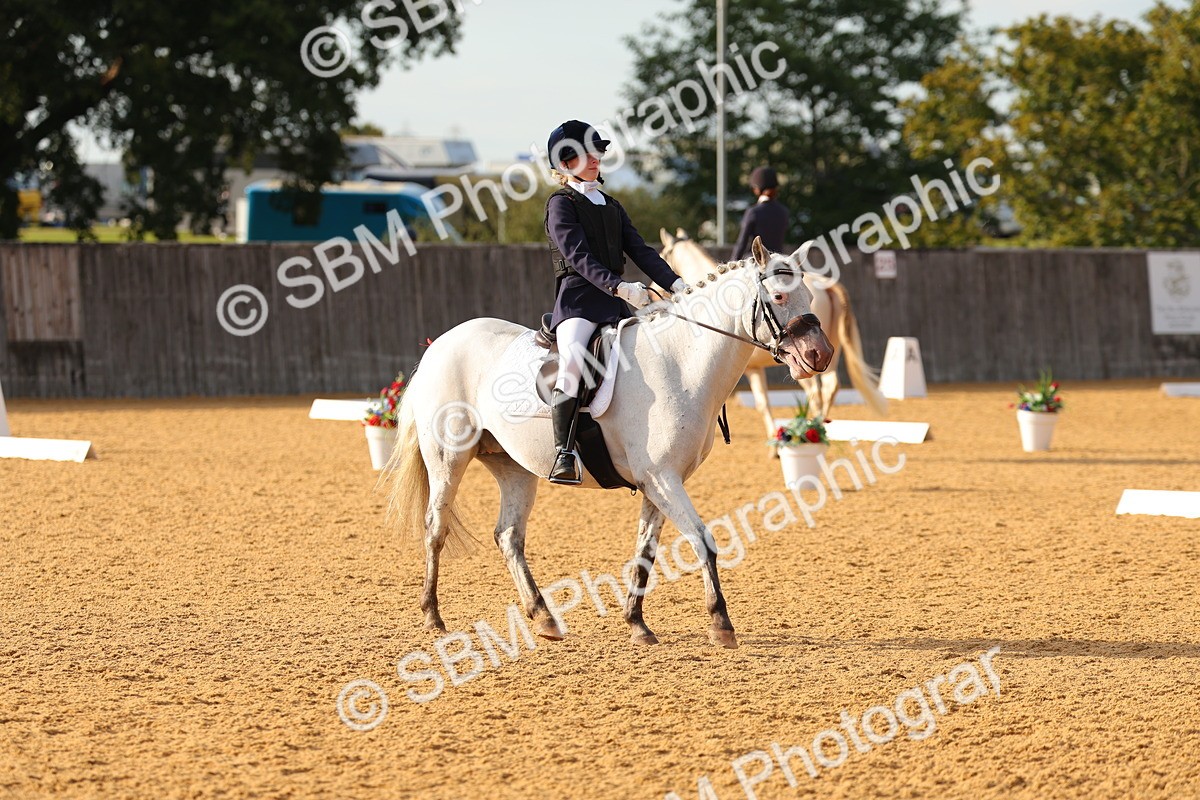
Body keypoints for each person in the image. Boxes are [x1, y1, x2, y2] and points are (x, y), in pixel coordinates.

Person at [543, 119, 688, 485]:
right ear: (564, 163)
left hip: (615, 305)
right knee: (575, 360)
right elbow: (578, 257)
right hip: (579, 302)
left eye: (596, 151)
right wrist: (620, 287)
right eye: (584, 153)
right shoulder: (561, 205)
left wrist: (678, 284)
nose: (594, 158)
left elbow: (640, 249)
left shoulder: (610, 203)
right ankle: (564, 451)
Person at [731, 166, 789, 260]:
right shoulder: (783, 212)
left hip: (757, 262)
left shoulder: (753, 212)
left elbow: (741, 244)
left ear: (757, 189)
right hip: (777, 261)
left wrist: (732, 264)